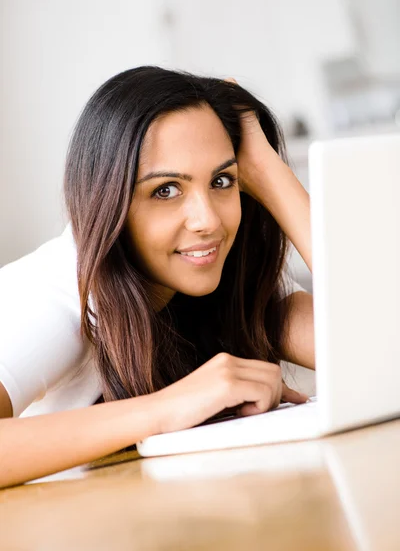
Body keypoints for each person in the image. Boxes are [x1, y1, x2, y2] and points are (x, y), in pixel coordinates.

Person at [0, 66, 315, 488]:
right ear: (108, 200)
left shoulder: (228, 273)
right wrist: (167, 407)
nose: (208, 221)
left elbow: (382, 348)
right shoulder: (61, 290)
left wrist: (267, 171)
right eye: (166, 190)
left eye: (223, 180)